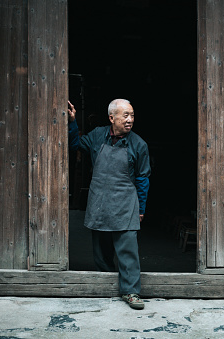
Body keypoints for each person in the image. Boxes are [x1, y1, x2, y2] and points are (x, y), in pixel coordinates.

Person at [68, 99, 150, 310]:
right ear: (111, 118)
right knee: (101, 251)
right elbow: (75, 144)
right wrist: (72, 123)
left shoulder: (138, 144)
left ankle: (131, 292)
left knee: (128, 251)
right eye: (125, 115)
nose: (130, 119)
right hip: (101, 201)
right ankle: (108, 286)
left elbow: (143, 178)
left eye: (132, 115)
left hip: (125, 202)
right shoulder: (97, 135)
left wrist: (141, 208)